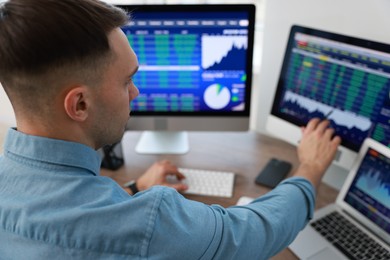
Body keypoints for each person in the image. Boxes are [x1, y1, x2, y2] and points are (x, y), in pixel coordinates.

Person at [0, 0, 341, 259]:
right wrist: (310, 168)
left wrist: (133, 188)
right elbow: (253, 234)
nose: (135, 93)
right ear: (80, 105)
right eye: (127, 80)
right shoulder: (148, 221)